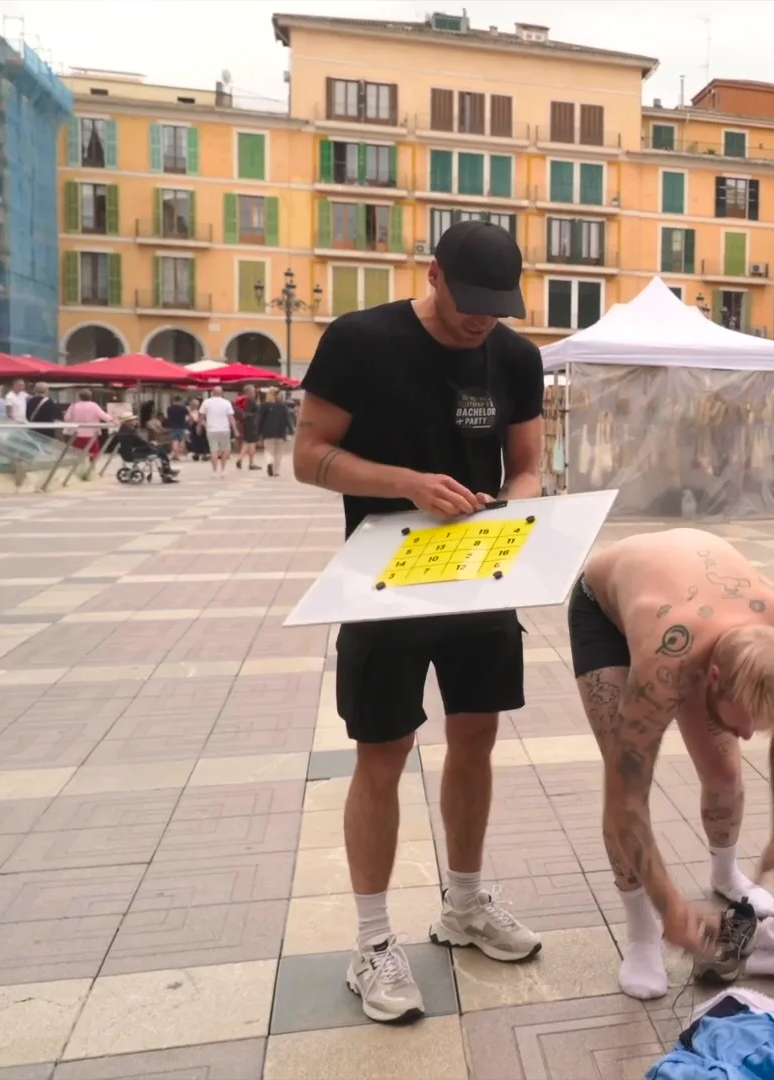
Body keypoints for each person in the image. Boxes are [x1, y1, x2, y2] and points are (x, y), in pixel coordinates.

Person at [293, 220, 546, 1023]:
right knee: (383, 752)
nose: (482, 322)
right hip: (382, 581)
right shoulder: (359, 340)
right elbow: (308, 454)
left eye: (497, 308)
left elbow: (530, 465)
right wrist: (405, 482)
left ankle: (464, 907)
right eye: (470, 304)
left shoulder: (514, 354)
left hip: (479, 580)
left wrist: (524, 510)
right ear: (431, 274)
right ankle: (372, 943)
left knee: (476, 737)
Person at [566, 528, 774, 1001]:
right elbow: (626, 799)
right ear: (711, 678)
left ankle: (725, 872)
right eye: (742, 723)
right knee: (624, 773)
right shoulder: (666, 664)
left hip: (699, 607)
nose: (744, 735)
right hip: (606, 608)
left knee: (724, 771)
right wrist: (667, 903)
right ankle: (640, 934)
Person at [257, 387, 294, 477]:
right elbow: (287, 420)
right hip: (280, 432)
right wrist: (292, 430)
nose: (281, 396)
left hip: (267, 432)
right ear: (277, 395)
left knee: (268, 451)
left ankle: (270, 462)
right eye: (280, 394)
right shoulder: (283, 406)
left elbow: (260, 420)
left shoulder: (264, 406)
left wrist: (258, 433)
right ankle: (276, 471)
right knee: (279, 452)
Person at [200, 386, 236, 473]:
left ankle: (214, 470)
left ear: (212, 392)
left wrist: (206, 425)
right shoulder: (227, 403)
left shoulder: (206, 402)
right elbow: (231, 418)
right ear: (221, 393)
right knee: (224, 450)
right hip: (224, 429)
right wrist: (235, 429)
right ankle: (223, 470)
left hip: (212, 430)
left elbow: (201, 417)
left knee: (213, 451)